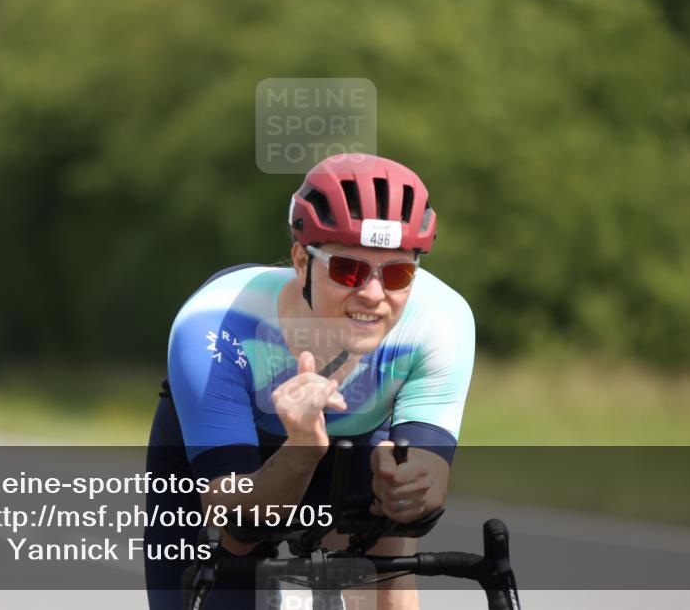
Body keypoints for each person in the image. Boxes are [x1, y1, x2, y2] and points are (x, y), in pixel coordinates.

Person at [144, 153, 475, 609]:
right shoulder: (214, 323)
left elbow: (428, 494)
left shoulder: (441, 322)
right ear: (302, 261)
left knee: (391, 558)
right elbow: (235, 520)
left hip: (358, 444)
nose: (374, 295)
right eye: (349, 270)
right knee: (220, 572)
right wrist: (302, 449)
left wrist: (406, 495)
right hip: (230, 469)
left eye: (398, 273)